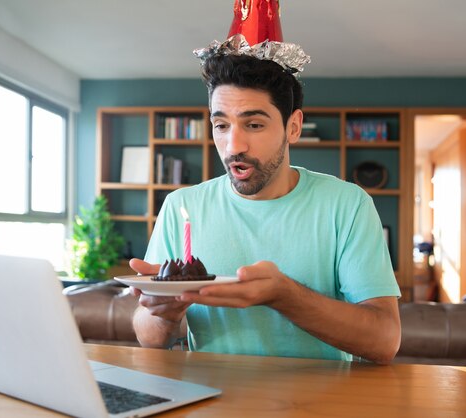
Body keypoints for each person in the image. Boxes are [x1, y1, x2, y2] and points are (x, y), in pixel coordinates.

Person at [128, 41, 401, 365]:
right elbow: (148, 337)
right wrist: (164, 313)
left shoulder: (347, 205)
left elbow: (385, 341)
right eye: (221, 125)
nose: (234, 145)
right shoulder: (181, 206)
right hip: (209, 401)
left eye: (254, 124)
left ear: (293, 127)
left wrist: (284, 296)